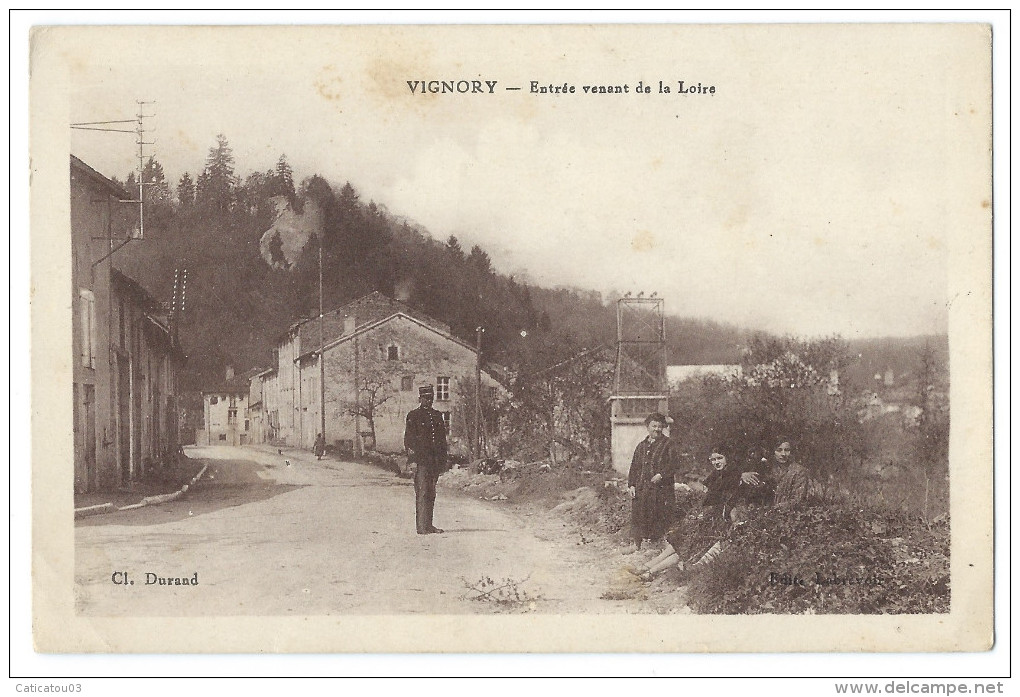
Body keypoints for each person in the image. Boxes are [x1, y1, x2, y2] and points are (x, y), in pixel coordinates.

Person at [628, 444, 742, 581]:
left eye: (720, 458)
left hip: (721, 522)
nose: (716, 462)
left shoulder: (734, 475)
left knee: (686, 546)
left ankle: (651, 572)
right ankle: (647, 566)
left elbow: (731, 504)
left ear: (727, 458)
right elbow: (708, 496)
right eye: (713, 459)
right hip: (709, 517)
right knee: (679, 539)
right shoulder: (716, 475)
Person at [627, 412, 682, 551]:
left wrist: (662, 475)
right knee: (639, 513)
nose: (657, 429)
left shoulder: (668, 444)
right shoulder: (641, 446)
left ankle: (657, 545)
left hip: (661, 489)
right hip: (641, 488)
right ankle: (636, 544)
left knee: (659, 514)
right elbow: (634, 467)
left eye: (660, 426)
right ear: (647, 427)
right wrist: (631, 485)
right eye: (654, 426)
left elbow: (675, 464)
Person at [403, 385, 449, 535]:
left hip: (434, 462)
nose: (428, 401)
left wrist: (443, 460)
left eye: (430, 398)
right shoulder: (413, 416)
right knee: (422, 492)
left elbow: (442, 440)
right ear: (420, 399)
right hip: (421, 461)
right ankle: (422, 527)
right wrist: (412, 461)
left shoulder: (437, 416)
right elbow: (409, 440)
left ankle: (429, 525)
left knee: (431, 493)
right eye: (425, 398)